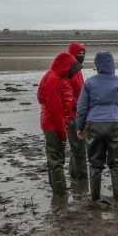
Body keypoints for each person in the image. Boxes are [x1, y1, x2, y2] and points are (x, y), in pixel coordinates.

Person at [75, 52, 118, 201]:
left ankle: (94, 199)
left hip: (94, 124)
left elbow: (82, 108)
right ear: (112, 64)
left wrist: (80, 127)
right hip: (116, 124)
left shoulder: (89, 83)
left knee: (95, 164)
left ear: (97, 65)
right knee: (116, 164)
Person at [38, 52, 82, 196]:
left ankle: (58, 190)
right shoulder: (53, 80)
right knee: (57, 161)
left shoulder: (56, 77)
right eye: (71, 69)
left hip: (54, 124)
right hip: (53, 125)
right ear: (65, 67)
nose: (72, 73)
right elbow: (55, 110)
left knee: (54, 159)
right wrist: (63, 133)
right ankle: (61, 193)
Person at [66, 42, 87, 180]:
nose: (81, 56)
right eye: (78, 54)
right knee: (79, 150)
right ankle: (82, 180)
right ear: (72, 54)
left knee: (76, 149)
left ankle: (73, 176)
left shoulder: (78, 70)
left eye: (83, 54)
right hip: (72, 116)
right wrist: (80, 103)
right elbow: (67, 97)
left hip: (79, 114)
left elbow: (81, 91)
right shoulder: (69, 71)